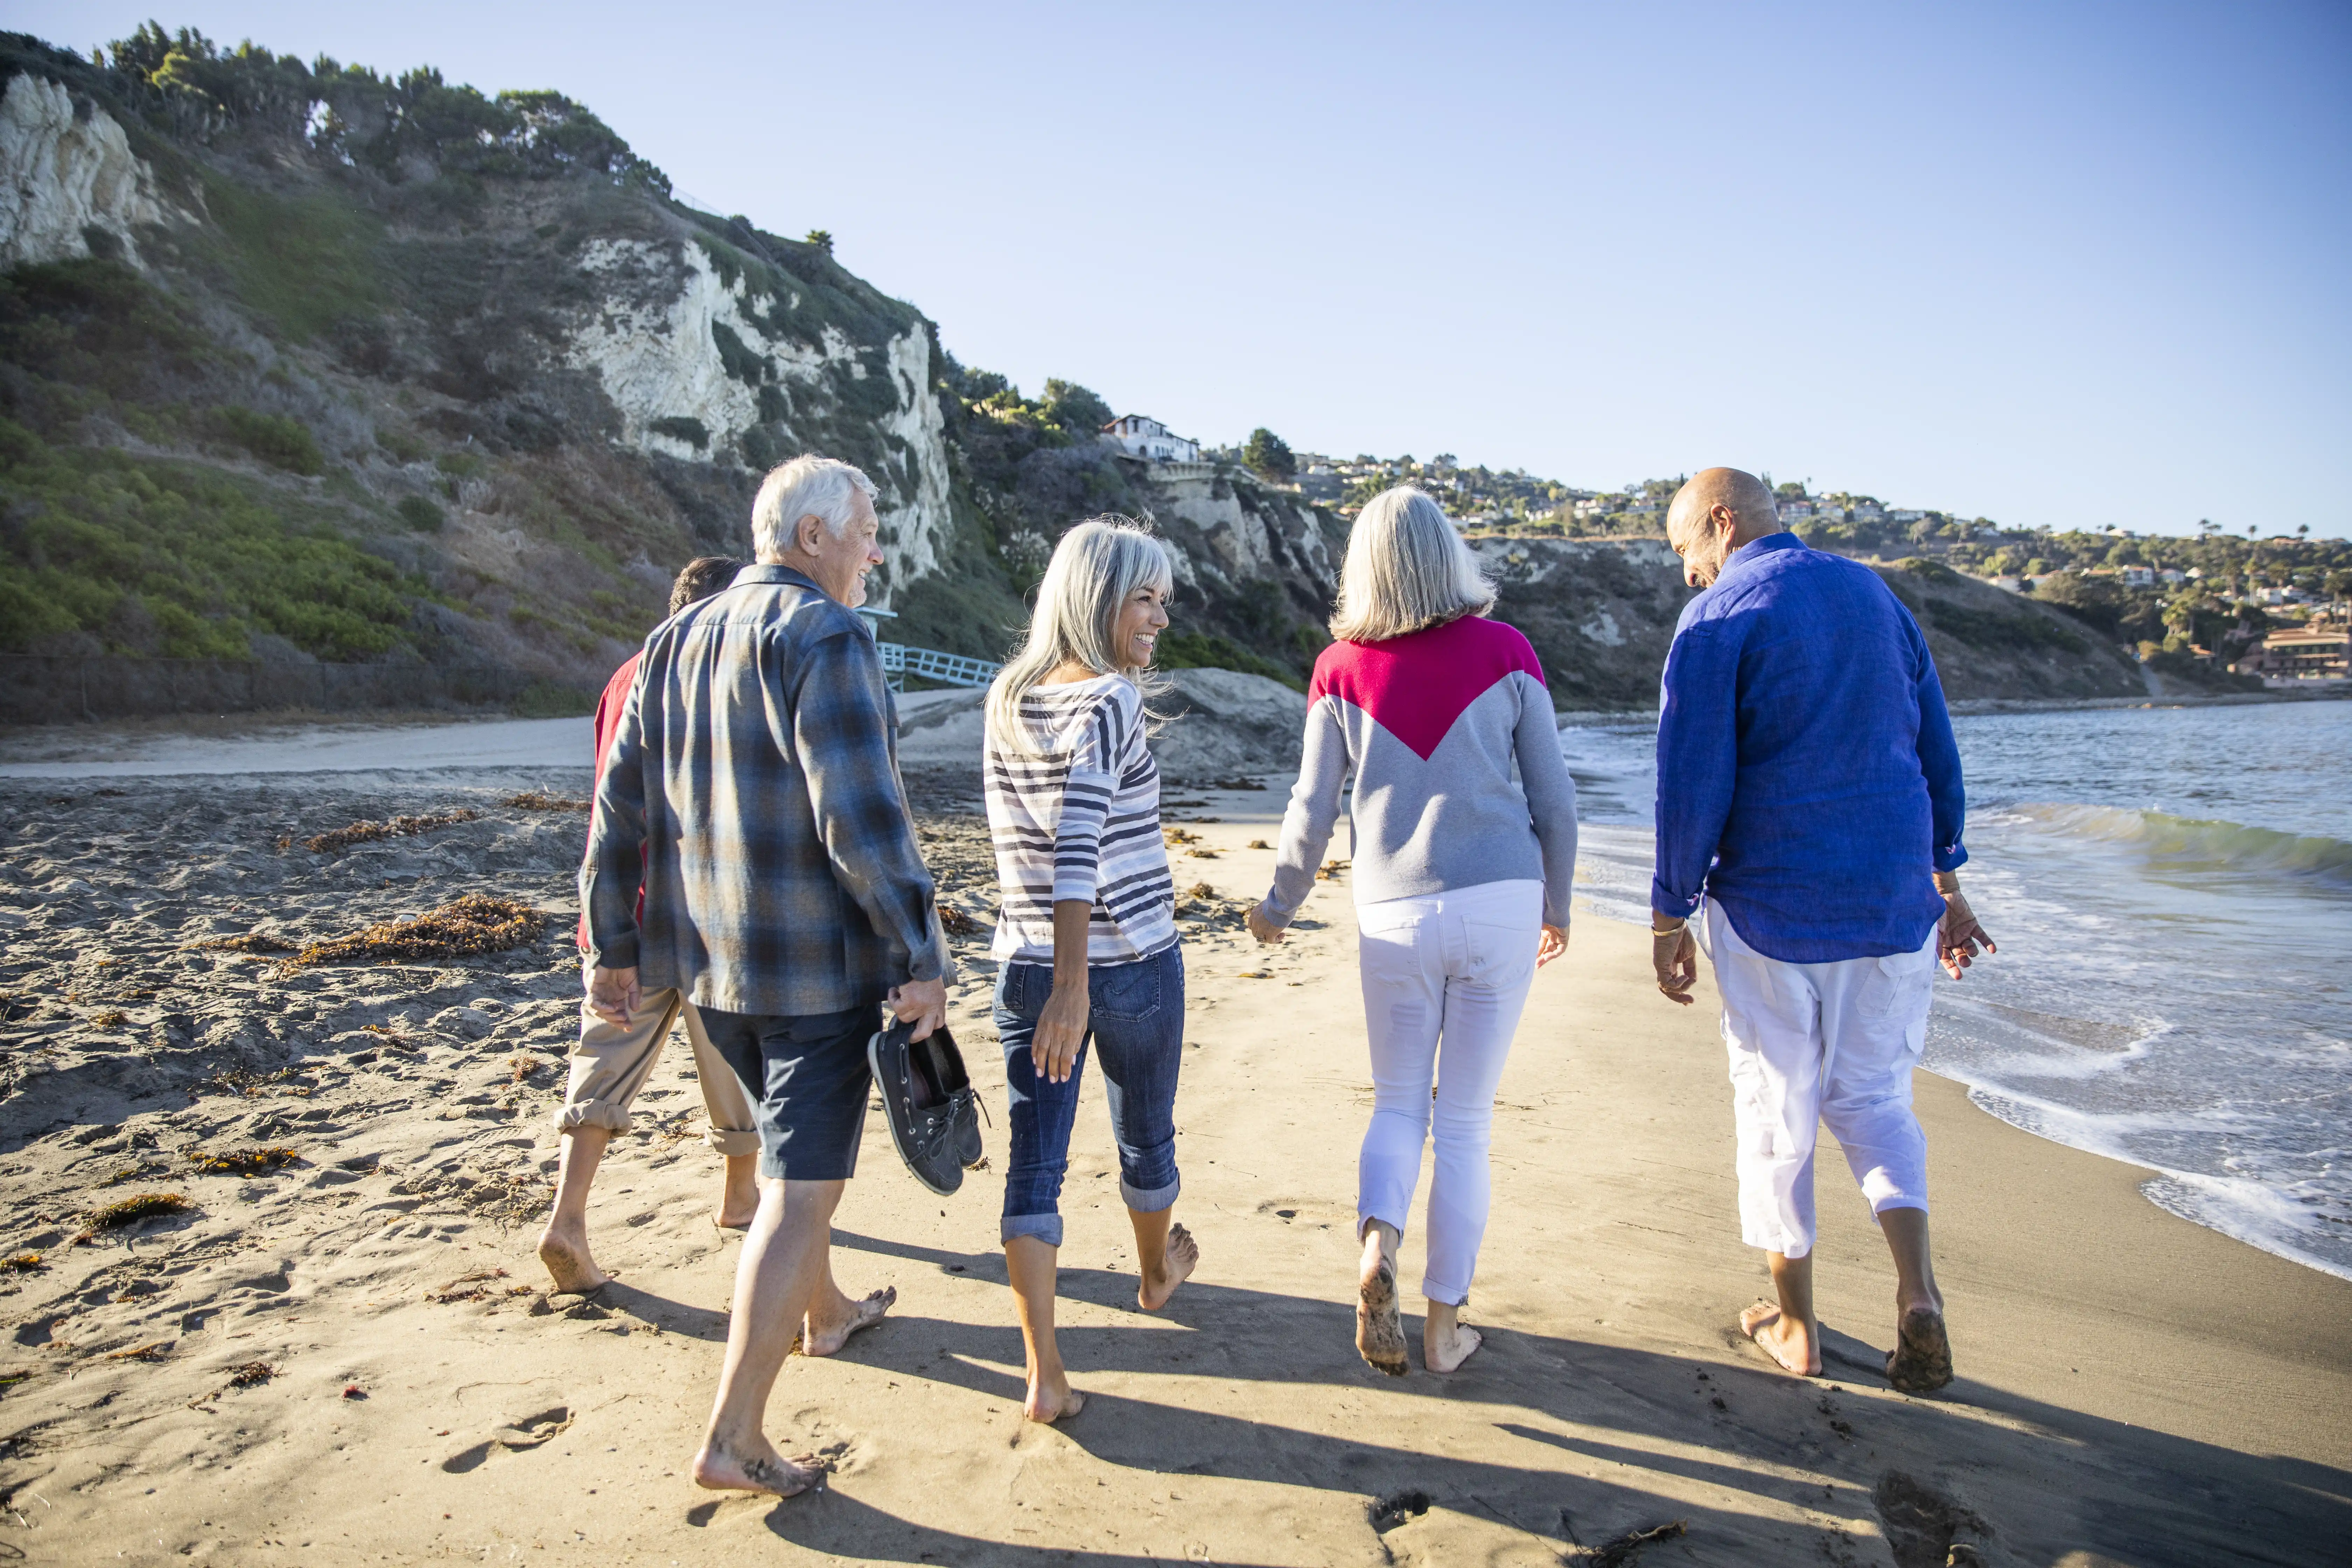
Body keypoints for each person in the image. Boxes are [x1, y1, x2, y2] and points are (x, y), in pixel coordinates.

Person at [582, 454, 950, 1498]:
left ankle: (826, 1314)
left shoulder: (670, 642)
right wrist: (920, 955)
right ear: (811, 538)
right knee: (803, 1185)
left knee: (793, 1156)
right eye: (868, 529)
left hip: (708, 966)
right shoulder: (822, 635)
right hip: (812, 973)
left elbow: (620, 815)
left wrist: (614, 947)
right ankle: (732, 1435)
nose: (878, 549)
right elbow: (863, 821)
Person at [1648, 467, 1994, 1396]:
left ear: (1722, 523)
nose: (1688, 573)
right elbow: (1934, 750)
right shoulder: (1872, 592)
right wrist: (1945, 879)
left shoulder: (1719, 619)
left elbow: (1693, 780)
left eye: (1687, 549)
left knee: (1776, 1114)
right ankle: (1919, 1295)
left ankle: (1795, 1328)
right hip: (1891, 908)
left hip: (1774, 909)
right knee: (1876, 1099)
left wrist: (1669, 909)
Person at [1247, 486, 1577, 1377]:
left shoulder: (1339, 667)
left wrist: (1278, 905)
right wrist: (1560, 904)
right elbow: (1555, 798)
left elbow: (1311, 810)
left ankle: (1375, 1248)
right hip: (1501, 897)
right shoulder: (1508, 651)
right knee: (1464, 1121)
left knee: (1398, 1103)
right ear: (1451, 556)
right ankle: (1443, 1331)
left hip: (1392, 910)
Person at [982, 516, 1196, 1424]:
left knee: (1035, 1169)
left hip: (1023, 965)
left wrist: (1055, 976)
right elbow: (1078, 841)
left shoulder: (1006, 695)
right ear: (1096, 597)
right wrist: (1076, 984)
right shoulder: (1109, 699)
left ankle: (1044, 1376)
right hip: (1125, 966)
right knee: (1144, 1137)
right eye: (1143, 598)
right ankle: (1154, 1277)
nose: (1158, 618)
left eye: (1163, 601)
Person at [538, 556, 760, 1295]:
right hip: (700, 915)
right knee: (734, 1060)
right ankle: (739, 1196)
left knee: (602, 1061)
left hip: (621, 913)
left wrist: (607, 936)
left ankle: (568, 1216)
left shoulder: (621, 677)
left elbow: (609, 808)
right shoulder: (710, 676)